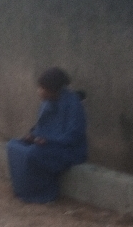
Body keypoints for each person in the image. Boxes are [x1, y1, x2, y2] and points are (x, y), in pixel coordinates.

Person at [7, 67, 87, 203]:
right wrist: (32, 136)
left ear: (53, 90)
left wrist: (48, 140)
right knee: (13, 145)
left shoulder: (73, 104)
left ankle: (41, 194)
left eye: (42, 88)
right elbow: (41, 127)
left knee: (33, 153)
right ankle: (22, 190)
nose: (39, 91)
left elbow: (74, 136)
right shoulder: (46, 103)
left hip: (68, 150)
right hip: (46, 144)